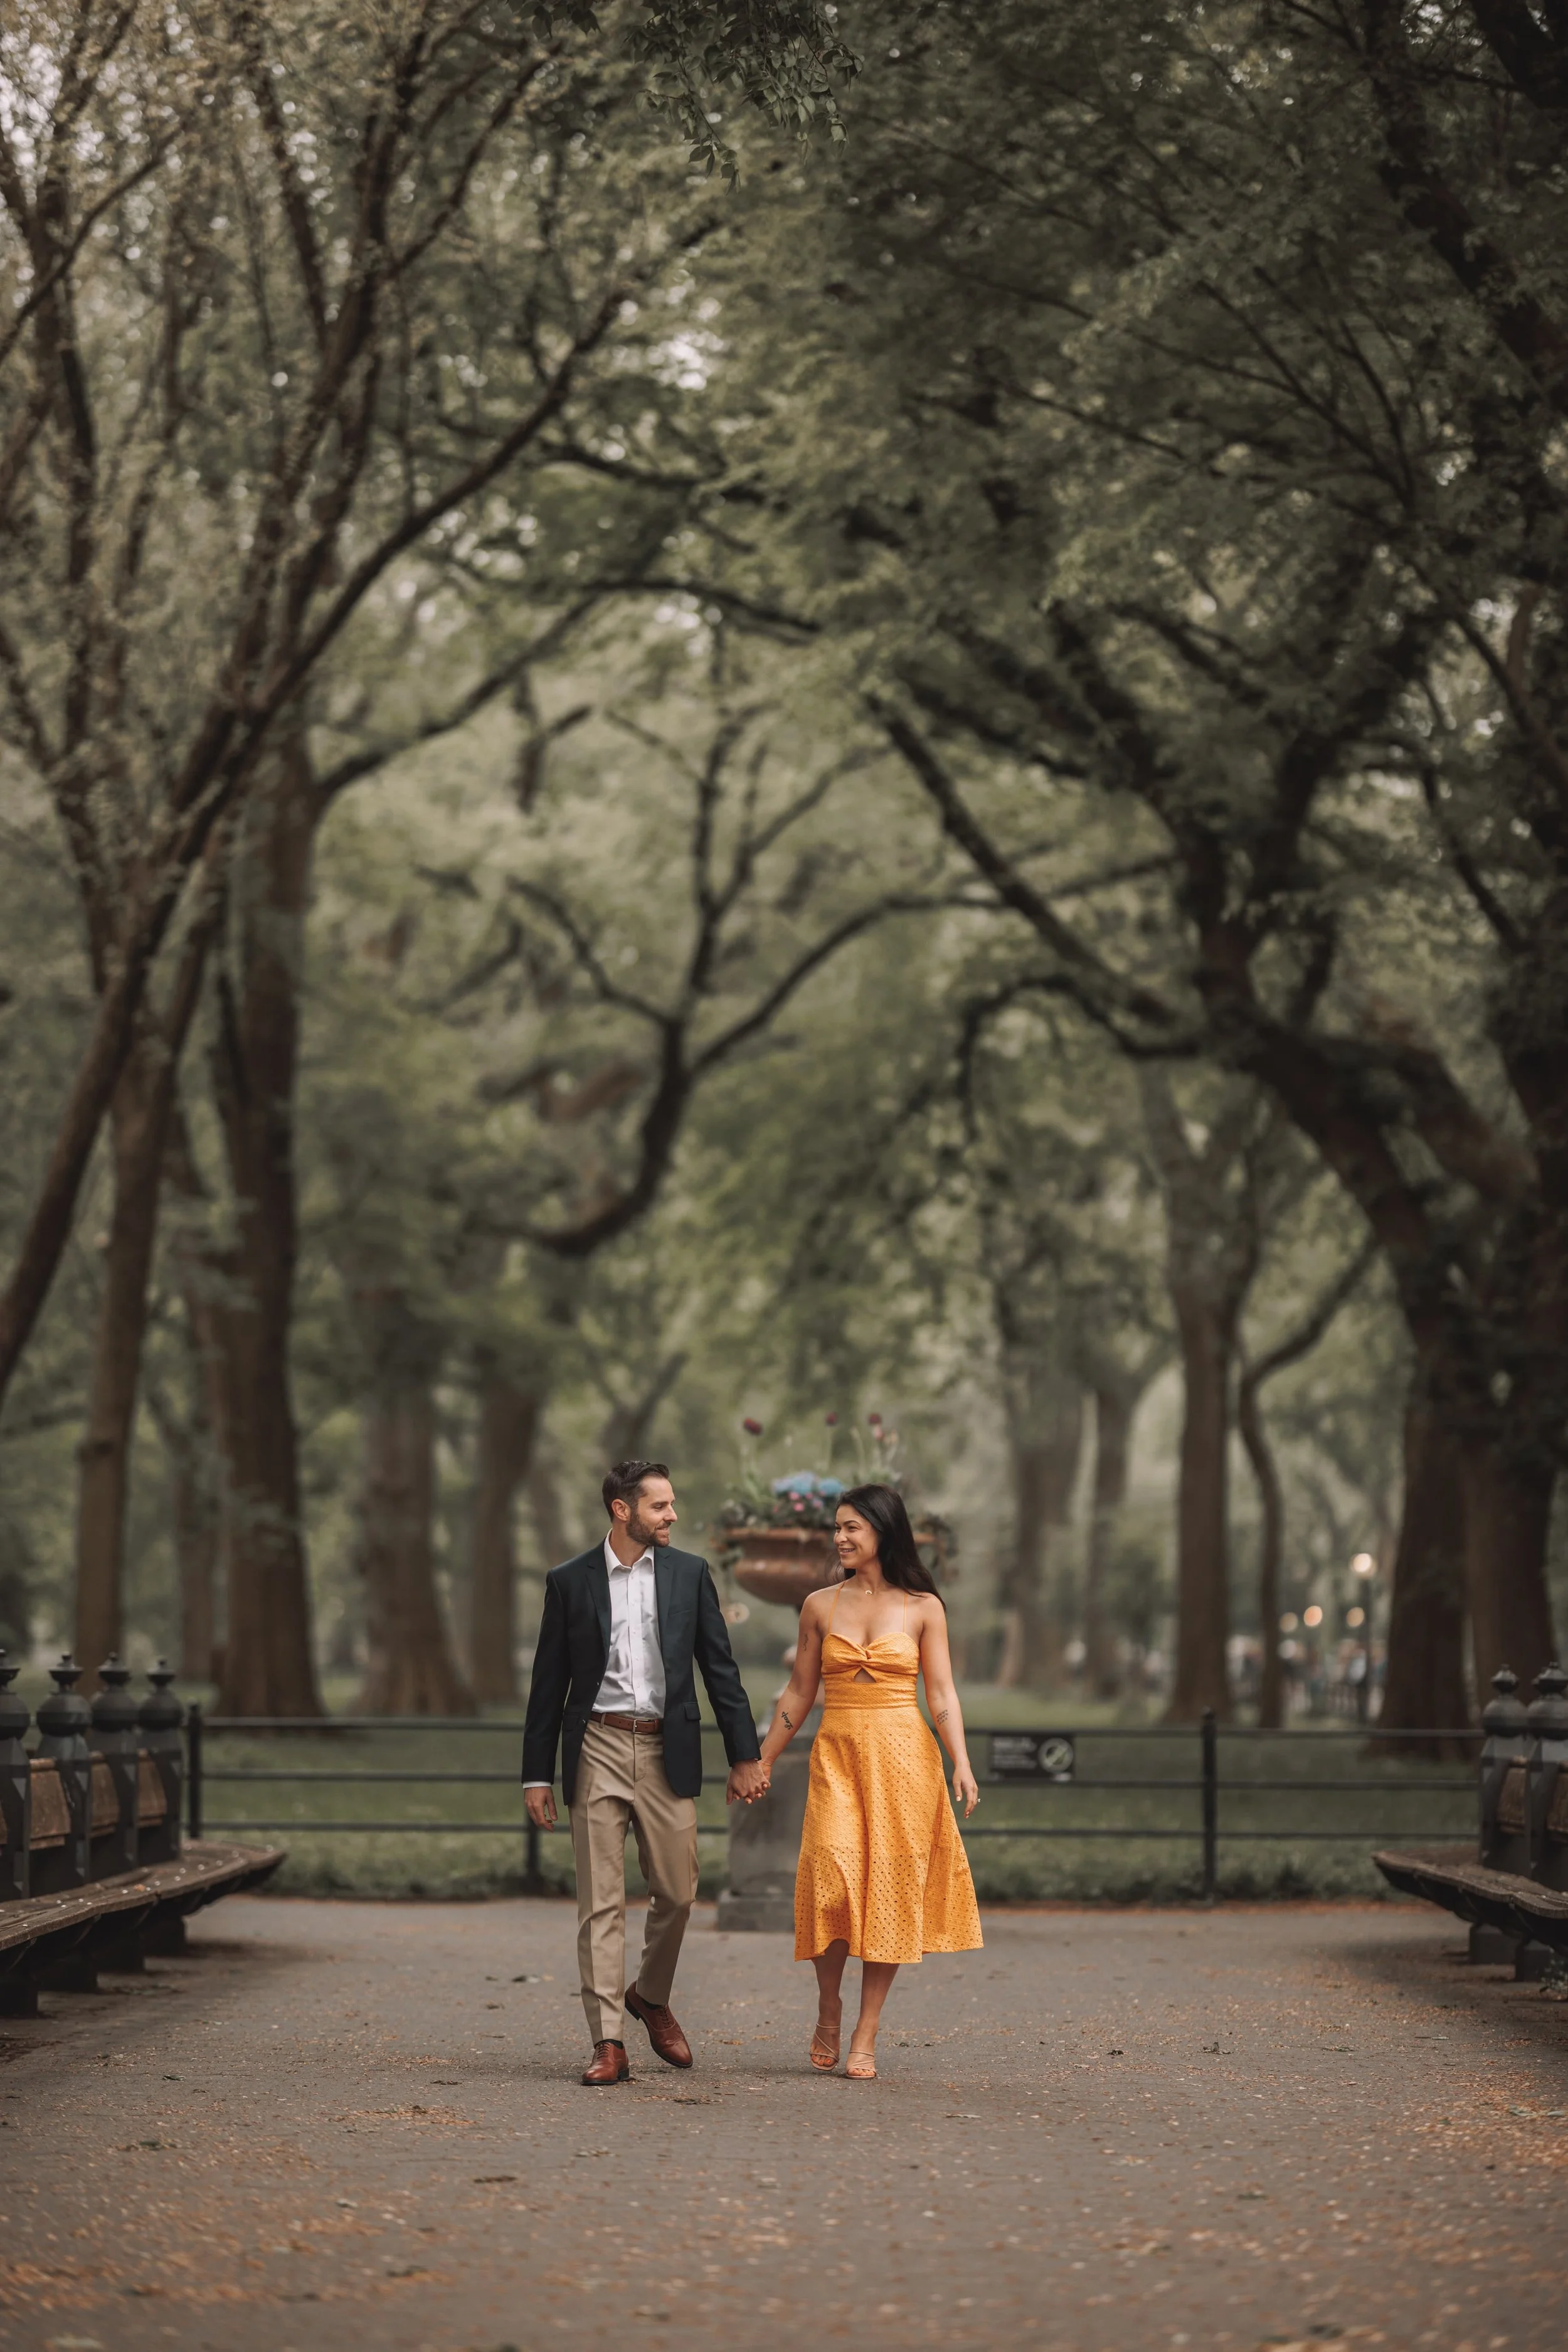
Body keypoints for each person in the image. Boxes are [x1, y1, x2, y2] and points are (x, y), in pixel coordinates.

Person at [522, 1459, 769, 2085]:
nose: (672, 1515)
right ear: (622, 1509)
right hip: (597, 1745)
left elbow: (720, 1669)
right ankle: (608, 2041)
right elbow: (548, 1683)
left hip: (667, 1748)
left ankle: (649, 1995)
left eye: (671, 1503)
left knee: (679, 1892)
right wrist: (536, 1774)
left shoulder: (689, 1573)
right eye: (660, 1505)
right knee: (600, 1902)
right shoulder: (569, 1581)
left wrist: (745, 1755)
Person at [756, 1481, 982, 2080]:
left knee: (890, 1890)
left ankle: (867, 2030)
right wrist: (764, 1758)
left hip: (906, 1759)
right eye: (836, 1527)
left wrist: (960, 1760)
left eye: (851, 1527)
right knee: (830, 1874)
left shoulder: (924, 1607)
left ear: (883, 1529)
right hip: (838, 1753)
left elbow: (941, 1693)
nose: (840, 1537)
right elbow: (799, 1690)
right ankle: (829, 2005)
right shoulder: (819, 1605)